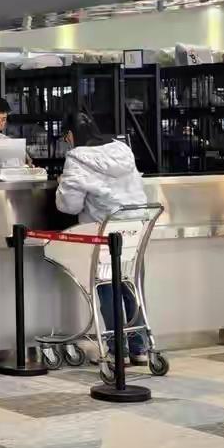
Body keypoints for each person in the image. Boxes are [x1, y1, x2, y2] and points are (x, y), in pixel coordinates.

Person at [56, 112, 148, 363]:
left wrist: (62, 184)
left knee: (107, 287)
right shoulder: (122, 150)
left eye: (66, 137)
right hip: (134, 229)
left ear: (71, 135)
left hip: (103, 232)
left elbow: (69, 206)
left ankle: (117, 350)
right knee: (131, 284)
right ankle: (140, 348)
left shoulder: (77, 158)